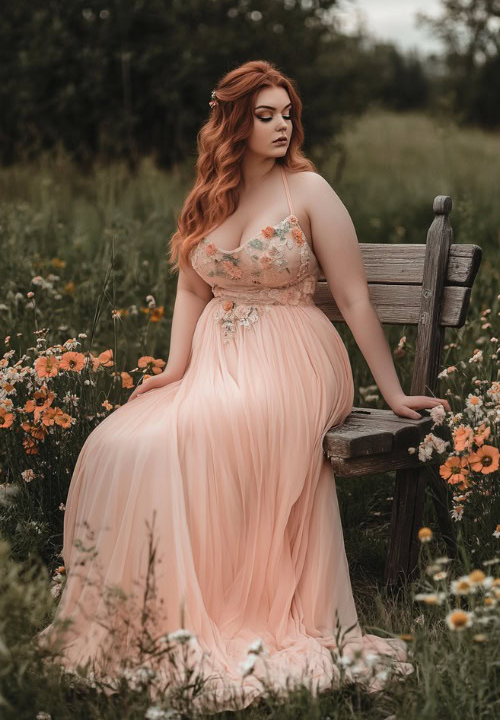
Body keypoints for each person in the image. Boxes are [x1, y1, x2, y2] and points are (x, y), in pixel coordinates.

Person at [36, 60, 450, 712]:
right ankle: (160, 608)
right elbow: (191, 286)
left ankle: (243, 600)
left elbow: (354, 299)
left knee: (212, 426)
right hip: (216, 359)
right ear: (233, 121)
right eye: (265, 115)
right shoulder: (209, 194)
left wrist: (394, 394)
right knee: (125, 439)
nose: (282, 125)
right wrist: (174, 369)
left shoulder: (308, 192)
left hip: (294, 355)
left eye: (287, 113)